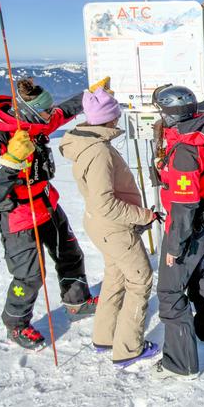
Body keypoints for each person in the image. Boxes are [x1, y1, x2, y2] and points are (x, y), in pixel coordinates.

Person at [0, 78, 98, 350]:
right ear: (29, 112)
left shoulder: (35, 124)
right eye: (45, 111)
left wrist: (89, 95)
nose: (51, 116)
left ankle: (77, 301)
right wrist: (11, 162)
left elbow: (62, 112)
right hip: (17, 215)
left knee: (70, 254)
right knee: (30, 276)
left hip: (46, 203)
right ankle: (16, 325)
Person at [59, 83, 162, 367]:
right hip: (114, 228)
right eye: (116, 114)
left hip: (102, 226)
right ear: (109, 118)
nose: (118, 118)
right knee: (140, 280)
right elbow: (104, 203)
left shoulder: (89, 143)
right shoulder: (99, 152)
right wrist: (143, 216)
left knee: (115, 277)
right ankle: (129, 348)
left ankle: (105, 337)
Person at [151, 85, 204, 379]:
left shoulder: (185, 150)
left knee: (169, 292)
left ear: (169, 115)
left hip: (188, 227)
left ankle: (180, 365)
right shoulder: (201, 131)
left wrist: (174, 247)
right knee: (195, 274)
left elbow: (184, 205)